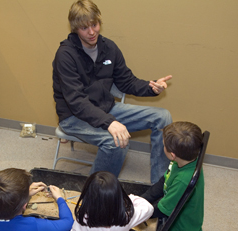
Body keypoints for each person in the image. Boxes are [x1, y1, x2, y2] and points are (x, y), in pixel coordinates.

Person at [52, 0, 173, 183]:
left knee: (163, 117)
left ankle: (159, 185)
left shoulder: (109, 48)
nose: (92, 32)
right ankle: (95, 196)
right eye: (85, 28)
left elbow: (127, 81)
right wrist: (110, 123)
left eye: (94, 24)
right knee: (116, 143)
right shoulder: (65, 56)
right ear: (75, 28)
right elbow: (77, 101)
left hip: (106, 109)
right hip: (74, 117)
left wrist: (152, 87)